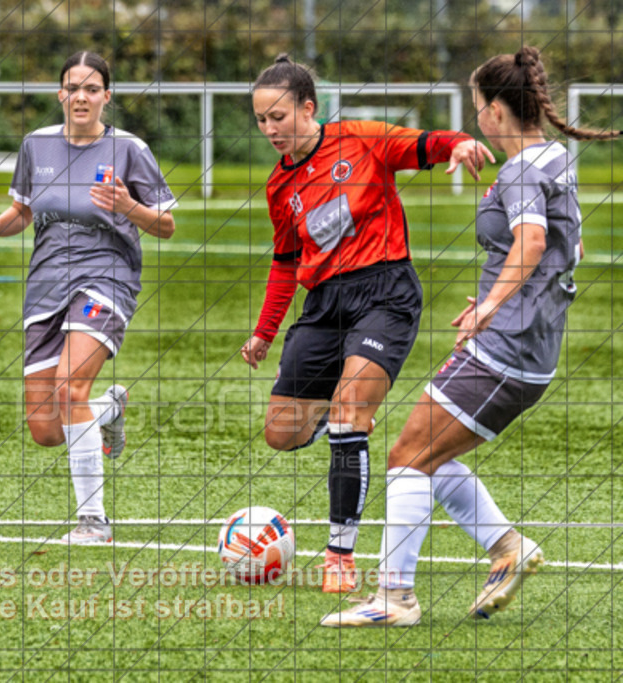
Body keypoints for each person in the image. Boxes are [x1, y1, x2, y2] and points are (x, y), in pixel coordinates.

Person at [322, 46, 620, 627]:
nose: (475, 114)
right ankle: (508, 547)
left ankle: (395, 598)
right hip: (530, 349)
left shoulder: (522, 168)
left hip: (505, 350)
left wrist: (490, 305)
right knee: (427, 456)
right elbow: (567, 248)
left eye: (477, 103)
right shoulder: (557, 158)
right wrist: (504, 298)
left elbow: (533, 243)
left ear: (495, 113)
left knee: (406, 459)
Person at [241, 54, 494, 593]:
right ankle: (347, 425)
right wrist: (265, 332)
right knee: (281, 434)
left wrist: (460, 144)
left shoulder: (360, 139)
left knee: (347, 416)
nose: (269, 130)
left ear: (308, 108)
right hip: (323, 307)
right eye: (261, 120)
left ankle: (340, 556)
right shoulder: (277, 188)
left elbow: (422, 143)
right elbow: (286, 262)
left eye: (278, 117)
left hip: (385, 294)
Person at [0, 51, 176, 544]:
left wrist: (128, 205)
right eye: (72, 88)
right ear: (60, 95)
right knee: (44, 428)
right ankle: (109, 410)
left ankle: (93, 522)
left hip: (106, 278)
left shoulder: (129, 149)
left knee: (69, 389)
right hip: (45, 284)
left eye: (91, 88)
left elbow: (166, 225)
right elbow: (22, 212)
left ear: (107, 96)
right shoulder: (35, 146)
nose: (80, 97)